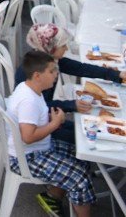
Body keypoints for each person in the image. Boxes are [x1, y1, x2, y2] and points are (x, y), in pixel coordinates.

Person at [6, 50, 96, 216]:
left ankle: (52, 196)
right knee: (80, 179)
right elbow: (28, 137)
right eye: (52, 71)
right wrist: (55, 123)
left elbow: (32, 120)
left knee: (81, 156)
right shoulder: (29, 101)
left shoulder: (30, 89)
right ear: (37, 75)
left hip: (37, 149)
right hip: (27, 157)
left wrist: (49, 117)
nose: (56, 74)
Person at [18, 23, 126, 145]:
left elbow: (80, 68)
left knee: (86, 130)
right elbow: (38, 107)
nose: (66, 49)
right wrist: (71, 105)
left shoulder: (46, 60)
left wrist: (116, 75)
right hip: (37, 126)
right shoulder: (31, 74)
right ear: (51, 48)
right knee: (86, 139)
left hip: (45, 118)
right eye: (63, 45)